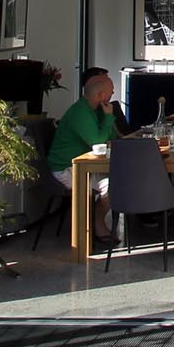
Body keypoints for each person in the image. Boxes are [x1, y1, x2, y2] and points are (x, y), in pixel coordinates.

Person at [45, 68, 121, 246]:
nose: (113, 94)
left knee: (119, 182)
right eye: (111, 92)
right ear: (101, 94)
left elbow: (112, 139)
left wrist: (107, 118)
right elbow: (98, 143)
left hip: (88, 166)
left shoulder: (94, 110)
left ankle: (95, 219)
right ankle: (97, 223)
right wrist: (109, 117)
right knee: (113, 186)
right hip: (67, 168)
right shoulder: (80, 112)